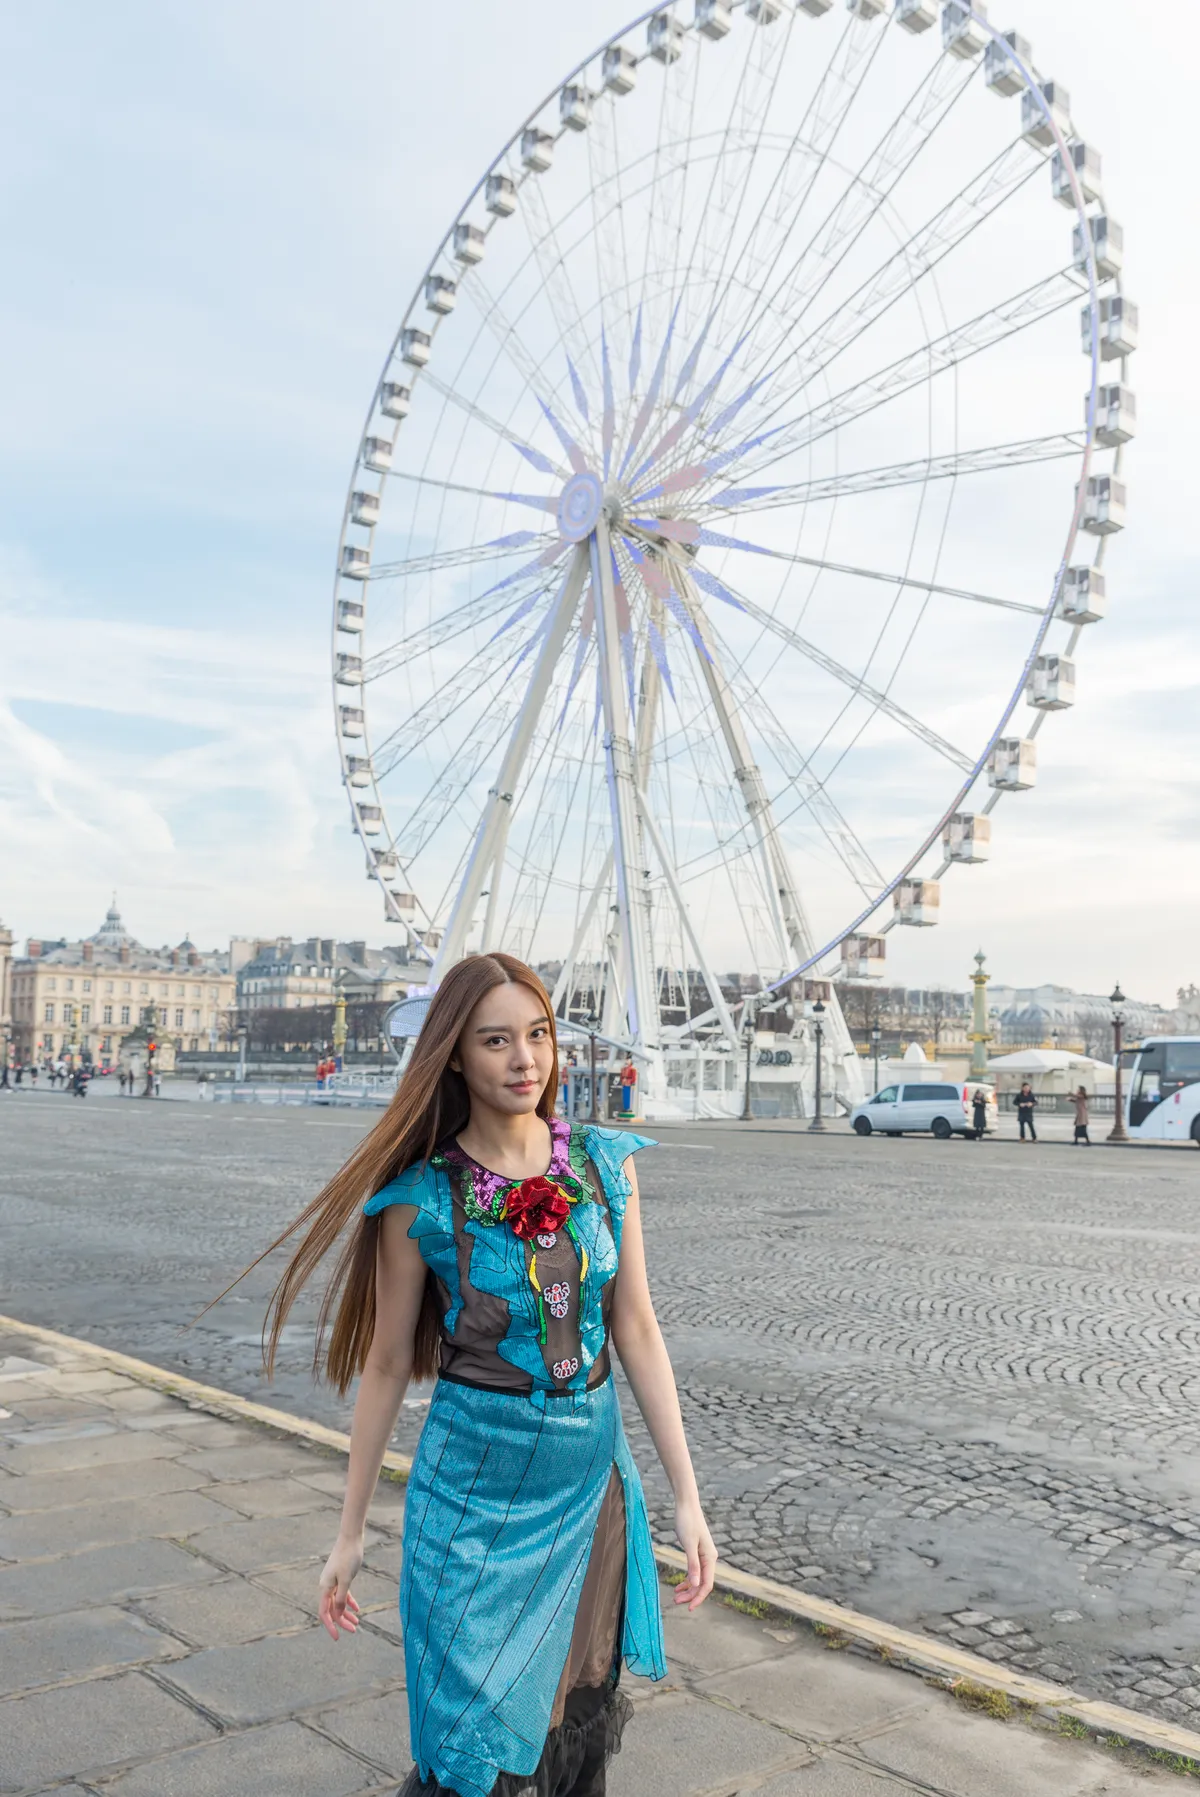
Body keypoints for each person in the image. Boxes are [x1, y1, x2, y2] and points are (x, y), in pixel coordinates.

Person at [243, 953, 715, 1797]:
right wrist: (350, 1532)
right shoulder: (421, 1198)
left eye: (537, 1034)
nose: (525, 1059)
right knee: (469, 1754)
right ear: (454, 1053)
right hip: (469, 1498)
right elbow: (388, 1362)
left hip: (588, 1493)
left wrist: (685, 1496)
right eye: (496, 1040)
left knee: (572, 1736)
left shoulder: (606, 1165)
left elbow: (636, 1326)